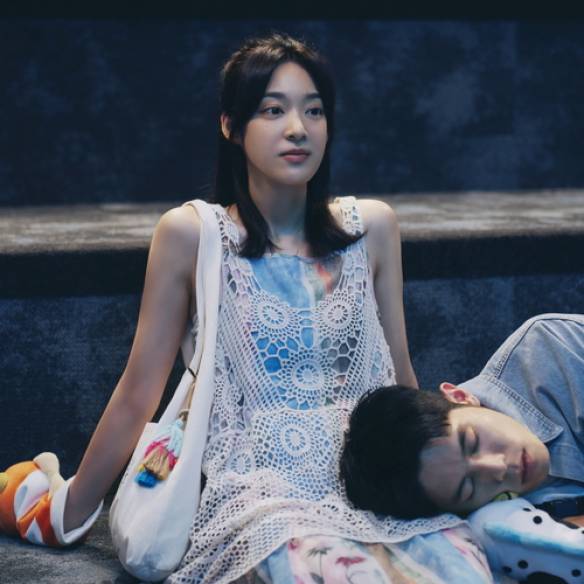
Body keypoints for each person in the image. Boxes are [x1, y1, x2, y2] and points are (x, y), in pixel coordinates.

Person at [7, 31, 498, 583]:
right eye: (273, 110)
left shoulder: (373, 228)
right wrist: (73, 509)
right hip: (260, 492)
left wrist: (439, 482)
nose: (298, 128)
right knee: (322, 571)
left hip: (370, 483)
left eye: (314, 110)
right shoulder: (194, 234)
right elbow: (139, 390)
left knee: (459, 564)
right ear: (231, 125)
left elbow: (400, 380)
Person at [340, 313, 584, 526]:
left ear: (460, 396)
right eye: (469, 488)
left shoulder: (556, 348)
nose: (498, 467)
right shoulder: (499, 529)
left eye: (472, 441)